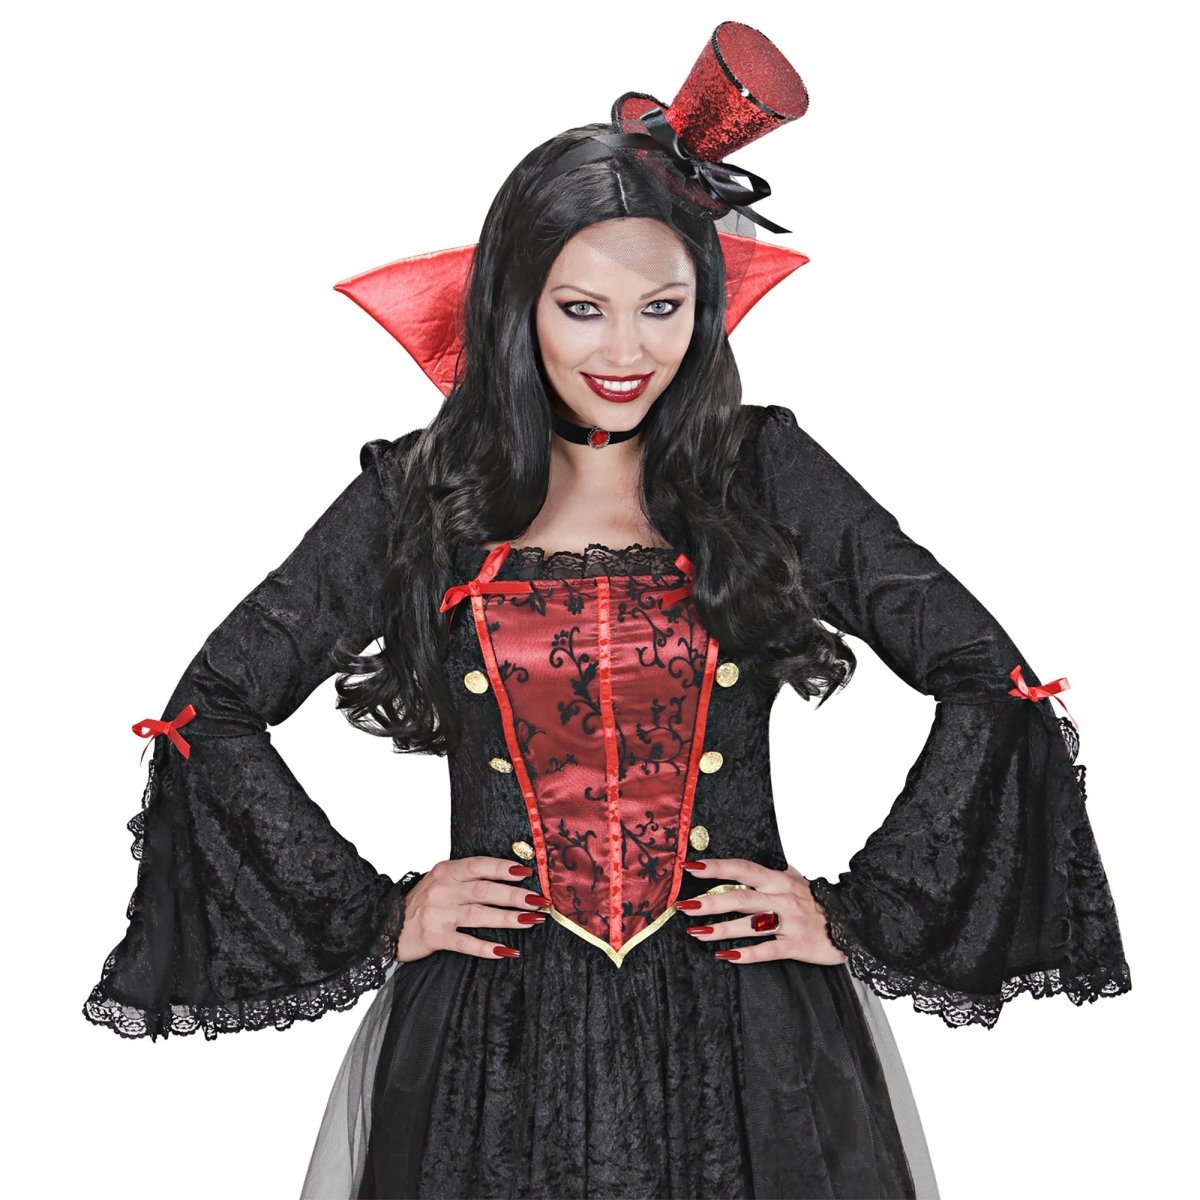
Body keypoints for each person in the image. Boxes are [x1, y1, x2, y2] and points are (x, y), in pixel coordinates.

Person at [82, 21, 1131, 1200]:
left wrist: (856, 913)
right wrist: (382, 916)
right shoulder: (423, 493)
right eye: (582, 309)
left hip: (748, 1033)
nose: (627, 349)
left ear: (705, 307)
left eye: (663, 307)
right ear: (515, 306)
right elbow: (210, 710)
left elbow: (993, 679)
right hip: (494, 1038)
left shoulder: (764, 474)